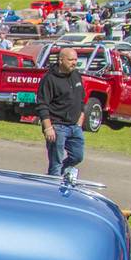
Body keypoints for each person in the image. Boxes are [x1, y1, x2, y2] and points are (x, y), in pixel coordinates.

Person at [38, 46, 85, 179]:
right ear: (60, 60)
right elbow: (42, 105)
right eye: (70, 60)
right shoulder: (49, 79)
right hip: (57, 127)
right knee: (56, 162)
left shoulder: (76, 75)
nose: (74, 63)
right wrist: (48, 128)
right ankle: (54, 184)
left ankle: (57, 175)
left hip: (74, 126)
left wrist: (81, 116)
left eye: (75, 59)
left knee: (77, 156)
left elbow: (81, 99)